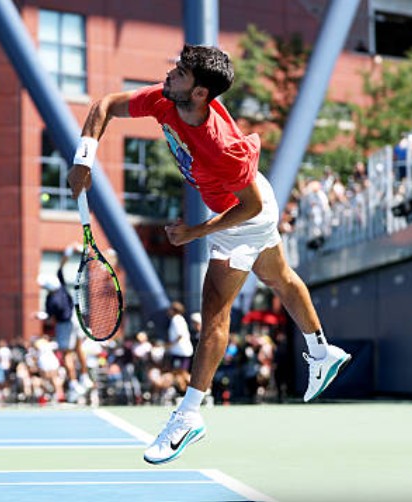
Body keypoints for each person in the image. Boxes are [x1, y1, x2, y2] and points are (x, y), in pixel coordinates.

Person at [66, 44, 351, 465]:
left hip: (244, 216)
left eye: (180, 73)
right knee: (279, 276)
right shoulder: (165, 100)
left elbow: (250, 206)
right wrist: (83, 158)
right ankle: (322, 349)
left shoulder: (221, 146)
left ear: (200, 93)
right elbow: (105, 105)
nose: (171, 74)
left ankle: (189, 415)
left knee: (215, 312)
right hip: (245, 207)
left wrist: (196, 233)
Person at [36, 246, 93, 399]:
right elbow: (61, 265)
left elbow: (51, 319)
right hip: (76, 319)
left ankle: (74, 383)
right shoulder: (60, 286)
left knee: (67, 354)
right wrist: (68, 253)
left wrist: (40, 316)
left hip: (65, 324)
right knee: (79, 347)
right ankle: (84, 377)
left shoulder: (51, 301)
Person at [165, 301, 194, 371]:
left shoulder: (176, 319)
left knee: (179, 374)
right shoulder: (180, 319)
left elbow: (180, 335)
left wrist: (170, 345)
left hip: (180, 352)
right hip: (181, 351)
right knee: (180, 373)